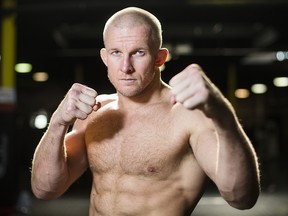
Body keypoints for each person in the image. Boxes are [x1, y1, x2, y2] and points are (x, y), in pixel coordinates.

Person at [31, 7, 260, 216]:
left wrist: (224, 116)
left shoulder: (188, 116)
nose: (125, 67)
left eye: (138, 52)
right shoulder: (94, 113)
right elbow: (45, 190)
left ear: (160, 58)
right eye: (116, 53)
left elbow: (242, 198)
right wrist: (58, 123)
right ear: (104, 57)